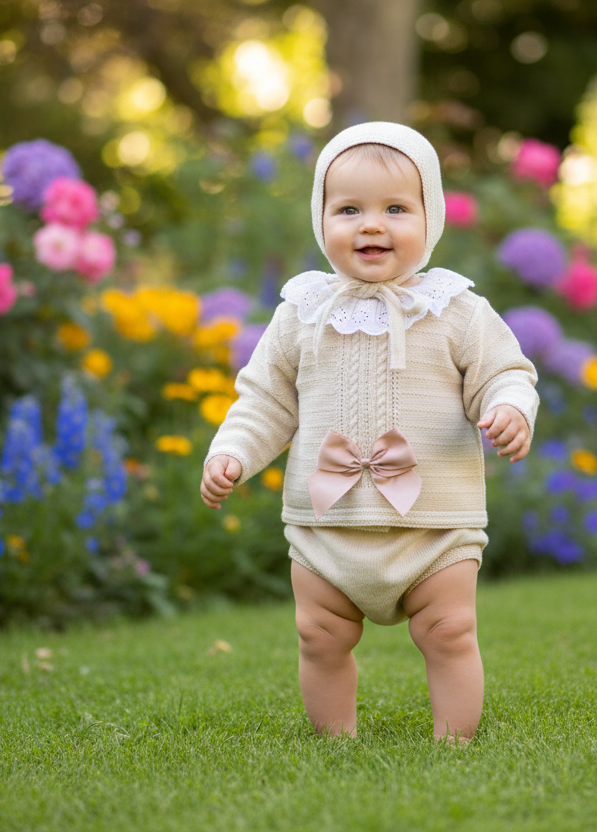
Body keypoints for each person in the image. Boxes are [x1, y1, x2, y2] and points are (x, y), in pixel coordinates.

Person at [200, 122, 539, 742]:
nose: (371, 225)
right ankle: (336, 741)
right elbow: (265, 399)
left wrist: (511, 408)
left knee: (448, 631)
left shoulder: (455, 309)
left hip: (435, 523)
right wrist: (231, 453)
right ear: (320, 218)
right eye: (348, 208)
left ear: (430, 218)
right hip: (325, 524)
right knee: (319, 634)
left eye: (395, 209)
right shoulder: (302, 313)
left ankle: (455, 743)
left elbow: (505, 372)